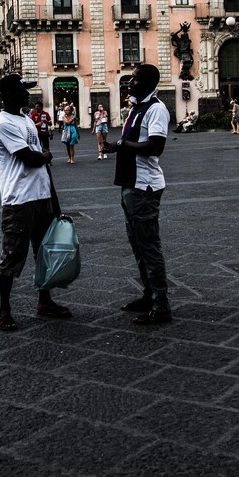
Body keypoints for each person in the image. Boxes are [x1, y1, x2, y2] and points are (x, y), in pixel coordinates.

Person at [0, 74, 72, 331]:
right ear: (7, 96)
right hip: (19, 199)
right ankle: (4, 310)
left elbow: (42, 166)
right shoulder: (2, 123)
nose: (28, 95)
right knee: (13, 254)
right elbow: (31, 158)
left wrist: (53, 199)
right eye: (22, 92)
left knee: (44, 252)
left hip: (41, 196)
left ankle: (44, 301)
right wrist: (46, 154)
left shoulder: (26, 119)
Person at [102, 64, 172, 324]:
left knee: (149, 246)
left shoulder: (156, 109)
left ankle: (161, 303)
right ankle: (148, 294)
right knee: (138, 244)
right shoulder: (136, 108)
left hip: (145, 187)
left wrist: (120, 144)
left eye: (135, 79)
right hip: (131, 185)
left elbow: (156, 147)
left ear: (148, 84)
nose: (129, 82)